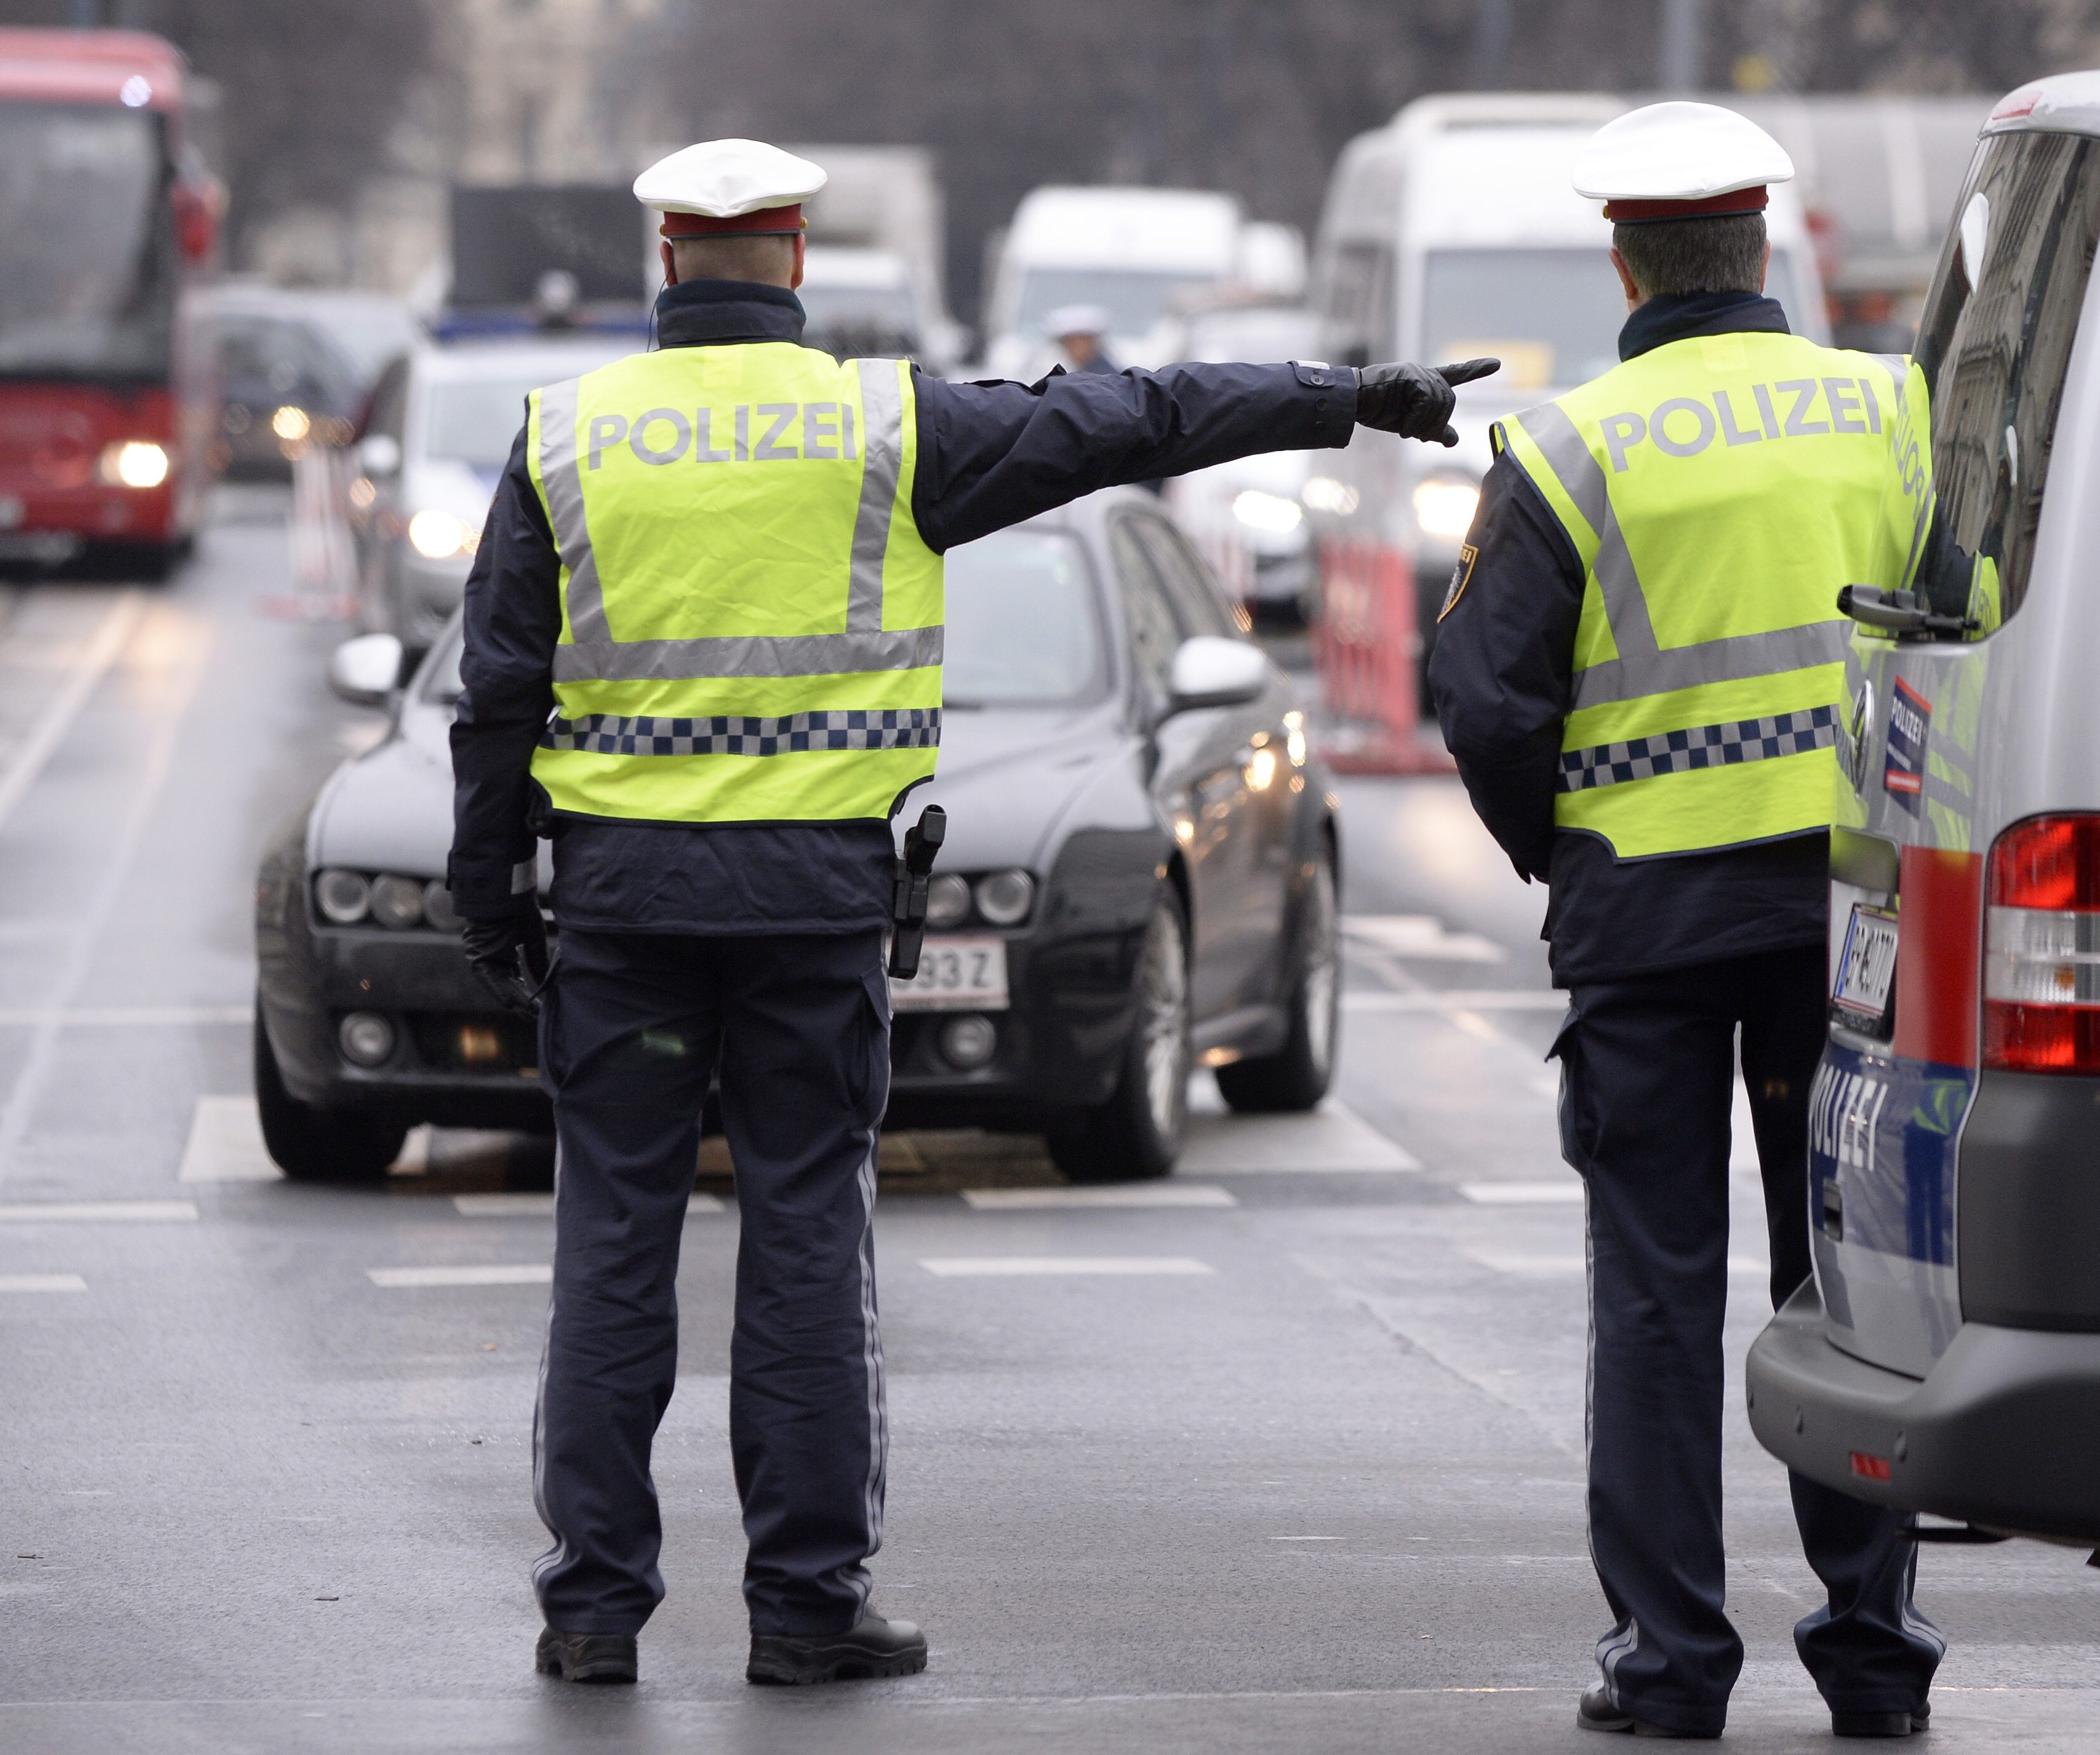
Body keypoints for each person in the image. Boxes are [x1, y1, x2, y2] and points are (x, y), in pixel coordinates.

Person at [447, 136, 1494, 1691]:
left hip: (623, 911)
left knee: (613, 1237)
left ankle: (593, 1603)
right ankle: (806, 1604)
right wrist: (1345, 393)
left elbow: (497, 692)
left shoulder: (565, 436)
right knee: (805, 1232)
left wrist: (489, 890)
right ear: (793, 257)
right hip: (812, 911)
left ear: (664, 260)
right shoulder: (888, 424)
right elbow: (1135, 416)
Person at [1426, 103, 1943, 1740]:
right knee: (1848, 1289)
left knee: (1651, 1289)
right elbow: (1967, 628)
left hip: (1644, 922)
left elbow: (1485, 701)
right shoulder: (1895, 412)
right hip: (1851, 925)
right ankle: (1870, 1651)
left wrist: (1565, 852)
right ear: (1766, 245)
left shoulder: (1568, 445)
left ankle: (1670, 1663)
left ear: (1621, 257)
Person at [1042, 302, 1118, 373]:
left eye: (1082, 341)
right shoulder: (1070, 370)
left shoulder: (1107, 376)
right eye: (1071, 343)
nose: (1078, 348)